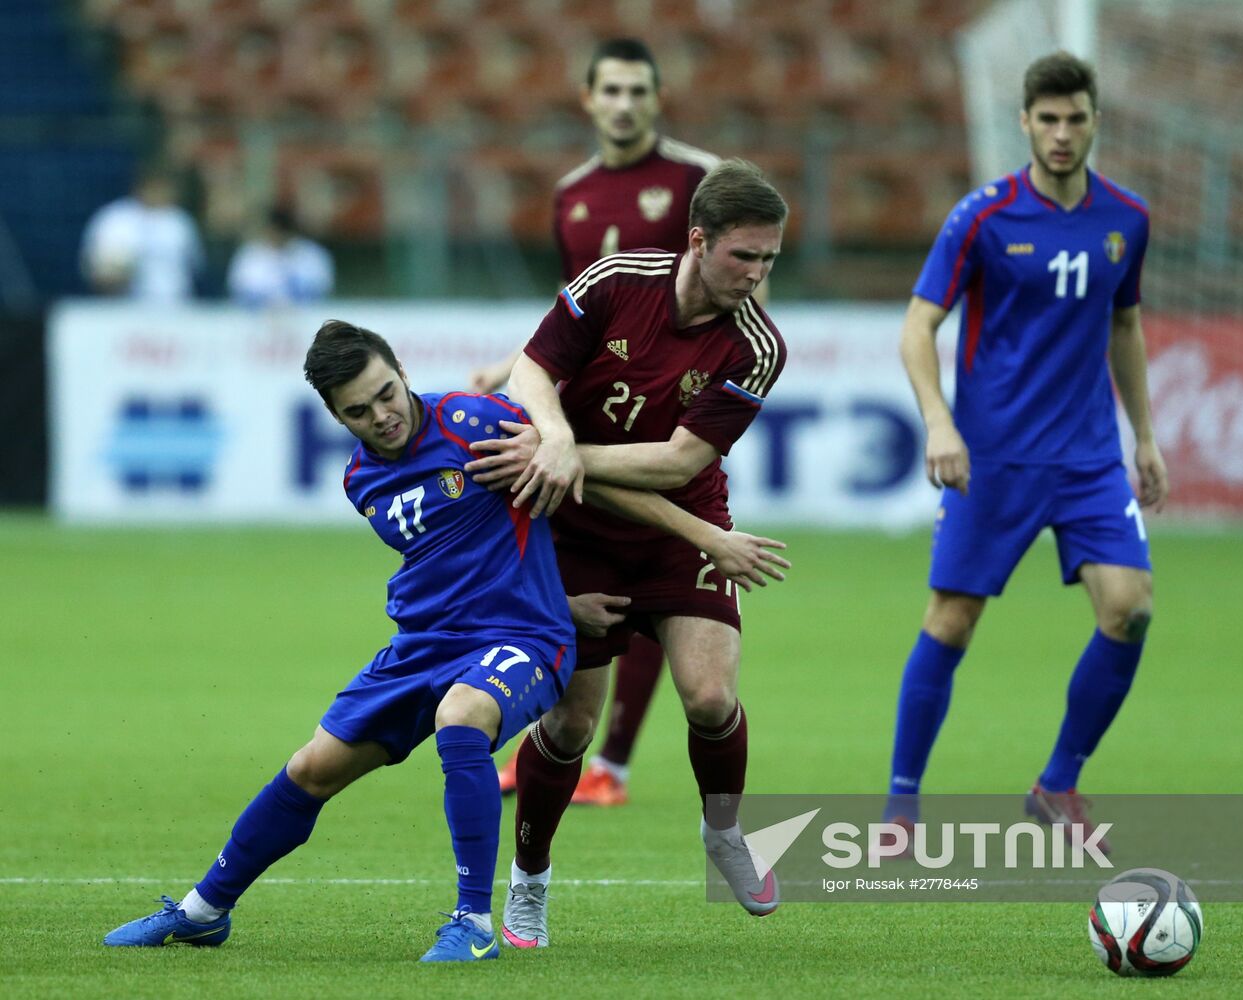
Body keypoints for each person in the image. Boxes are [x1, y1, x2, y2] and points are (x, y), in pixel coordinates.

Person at [102, 319, 788, 962]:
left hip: (522, 638)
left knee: (463, 717)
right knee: (312, 768)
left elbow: (579, 478)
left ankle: (473, 923)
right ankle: (202, 910)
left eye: (386, 395)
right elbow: (454, 557)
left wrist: (694, 541)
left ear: (402, 372)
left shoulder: (477, 424)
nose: (382, 417)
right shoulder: (360, 479)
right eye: (359, 412)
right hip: (423, 645)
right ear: (337, 417)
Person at [465, 158, 790, 945]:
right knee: (573, 727)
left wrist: (556, 451)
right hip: (573, 530)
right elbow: (533, 371)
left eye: (770, 259)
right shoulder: (614, 279)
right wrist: (555, 438)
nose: (756, 274)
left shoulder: (757, 349)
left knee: (710, 700)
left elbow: (679, 464)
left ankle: (723, 834)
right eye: (743, 255)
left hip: (681, 521)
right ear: (698, 239)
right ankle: (531, 882)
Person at [884, 52, 1168, 853]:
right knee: (952, 620)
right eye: (1048, 119)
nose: (1062, 133)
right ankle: (901, 804)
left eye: (1076, 118)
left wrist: (1144, 436)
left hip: (1087, 460)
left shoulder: (1127, 218)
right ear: (1025, 123)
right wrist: (939, 423)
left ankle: (1059, 783)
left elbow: (1125, 326)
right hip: (994, 458)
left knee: (1131, 606)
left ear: (1094, 120)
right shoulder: (981, 215)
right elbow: (917, 327)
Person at [472, 37, 724, 808]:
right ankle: (569, 742)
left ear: (658, 98)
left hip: (674, 410)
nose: (624, 104)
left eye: (637, 91)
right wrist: (511, 363)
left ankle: (610, 763)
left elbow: (740, 299)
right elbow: (570, 308)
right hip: (591, 412)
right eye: (610, 91)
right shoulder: (571, 193)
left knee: (659, 575)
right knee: (592, 574)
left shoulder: (697, 180)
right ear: (588, 99)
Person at [79, 163, 204, 302]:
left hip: (176, 308)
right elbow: (96, 271)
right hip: (123, 308)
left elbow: (195, 269)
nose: (159, 192)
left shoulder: (180, 221)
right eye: (153, 187)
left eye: (164, 187)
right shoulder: (114, 219)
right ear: (139, 187)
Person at [226, 205, 334, 307]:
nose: (277, 237)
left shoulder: (312, 255)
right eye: (273, 232)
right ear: (267, 230)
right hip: (257, 318)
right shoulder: (250, 255)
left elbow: (322, 289)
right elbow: (238, 290)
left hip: (304, 316)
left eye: (281, 233)